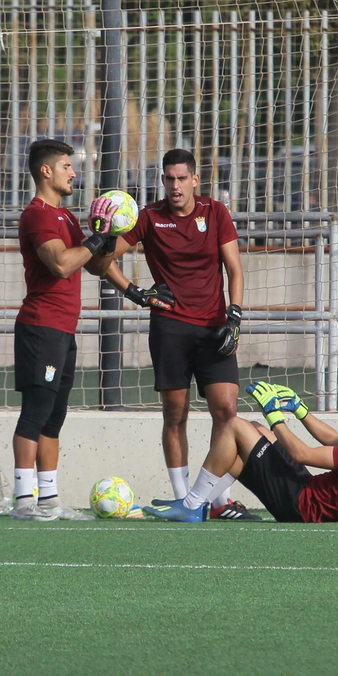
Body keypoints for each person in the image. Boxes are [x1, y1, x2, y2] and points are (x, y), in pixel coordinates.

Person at [95, 148, 259, 519]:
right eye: (169, 178)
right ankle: (186, 501)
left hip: (215, 328)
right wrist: (135, 292)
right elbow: (101, 261)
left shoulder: (215, 212)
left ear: (195, 180)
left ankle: (219, 501)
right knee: (175, 414)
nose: (175, 186)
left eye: (182, 178)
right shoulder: (149, 217)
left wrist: (235, 317)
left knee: (227, 411)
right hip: (169, 328)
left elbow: (234, 269)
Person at [143, 382, 338, 523]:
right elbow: (332, 437)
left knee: (235, 426)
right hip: (306, 496)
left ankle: (193, 504)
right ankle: (200, 502)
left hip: (298, 505)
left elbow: (303, 455)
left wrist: (276, 415)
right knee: (255, 431)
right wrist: (298, 407)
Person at [11, 138, 117, 520]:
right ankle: (24, 500)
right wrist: (96, 239)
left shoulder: (67, 217)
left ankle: (50, 500)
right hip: (41, 327)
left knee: (55, 416)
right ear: (46, 170)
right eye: (66, 166)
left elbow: (95, 266)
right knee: (36, 411)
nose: (73, 172)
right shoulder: (38, 215)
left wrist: (110, 240)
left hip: (62, 330)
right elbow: (61, 264)